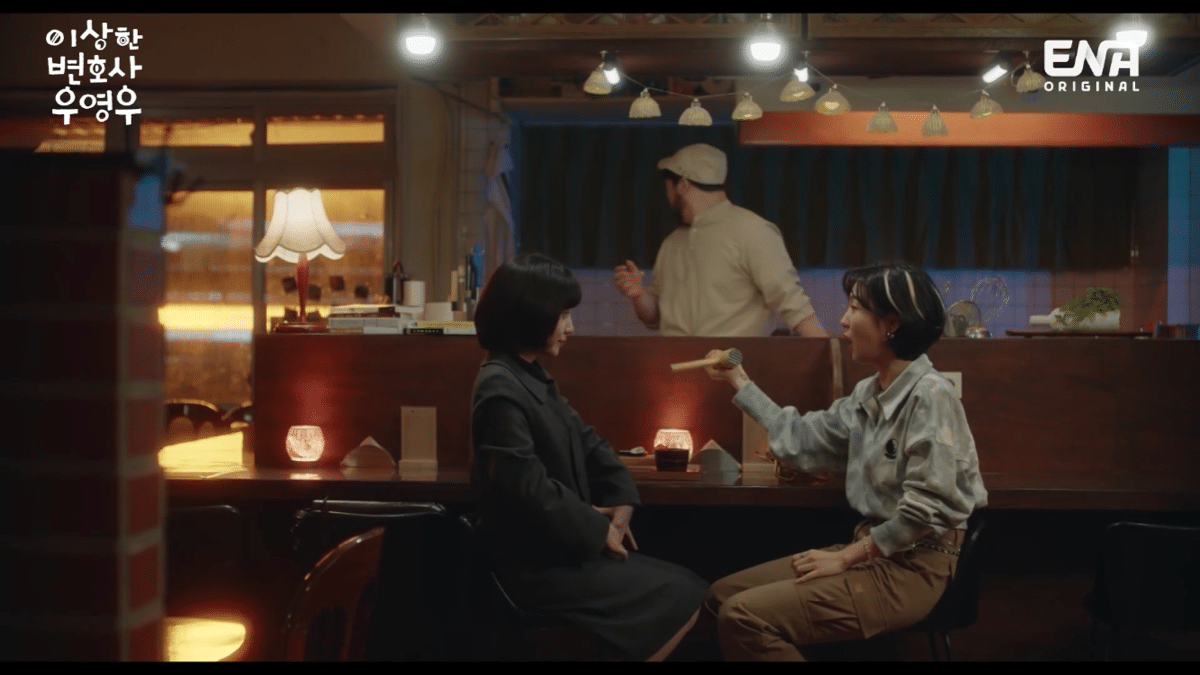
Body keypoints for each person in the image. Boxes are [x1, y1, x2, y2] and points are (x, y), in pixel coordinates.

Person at [700, 261, 988, 661]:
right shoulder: (868, 393)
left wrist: (845, 558)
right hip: (872, 549)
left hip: (914, 566)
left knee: (743, 617)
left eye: (854, 308)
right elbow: (802, 438)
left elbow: (928, 507)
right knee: (720, 596)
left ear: (890, 324)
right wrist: (739, 380)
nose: (843, 321)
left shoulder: (931, 395)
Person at [471, 252, 709, 661]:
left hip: (558, 551)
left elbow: (587, 440)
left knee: (690, 588)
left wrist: (622, 496)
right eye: (563, 316)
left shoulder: (528, 374)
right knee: (683, 593)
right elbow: (528, 488)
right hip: (533, 567)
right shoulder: (499, 386)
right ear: (530, 315)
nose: (571, 327)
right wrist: (597, 529)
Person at [613, 142, 827, 338]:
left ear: (683, 185)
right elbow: (654, 317)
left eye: (668, 188)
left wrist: (829, 354)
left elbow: (793, 304)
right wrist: (638, 294)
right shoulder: (671, 244)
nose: (668, 198)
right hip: (673, 363)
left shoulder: (753, 231)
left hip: (735, 362)